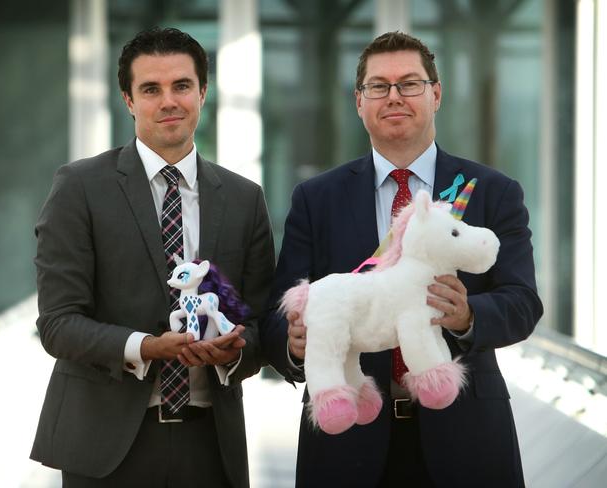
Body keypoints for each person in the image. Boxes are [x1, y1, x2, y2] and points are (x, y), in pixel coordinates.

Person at [260, 31, 543, 488]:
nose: (394, 97)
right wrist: (294, 343)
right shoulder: (316, 199)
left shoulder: (491, 190)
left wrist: (469, 314)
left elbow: (524, 303)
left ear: (436, 94)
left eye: (409, 83)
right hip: (347, 443)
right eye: (378, 86)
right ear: (359, 101)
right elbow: (275, 317)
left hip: (466, 439)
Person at [30, 27, 275, 488]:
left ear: (203, 92)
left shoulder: (244, 199)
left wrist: (231, 351)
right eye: (150, 89)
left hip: (211, 448)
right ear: (128, 100)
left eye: (181, 85)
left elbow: (261, 322)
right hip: (104, 447)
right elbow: (58, 322)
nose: (168, 101)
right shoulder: (80, 188)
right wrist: (146, 346)